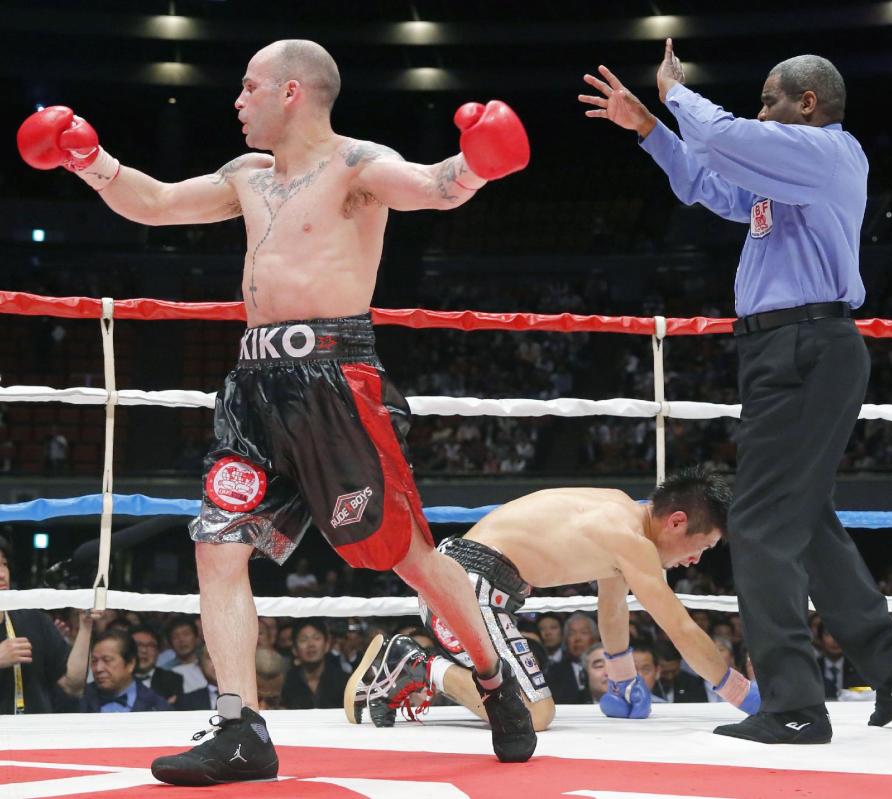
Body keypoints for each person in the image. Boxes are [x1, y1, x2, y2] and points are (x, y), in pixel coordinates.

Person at [17, 38, 533, 781]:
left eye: (248, 86)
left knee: (408, 556)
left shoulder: (357, 165)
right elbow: (157, 202)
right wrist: (86, 159)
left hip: (336, 382)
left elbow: (432, 185)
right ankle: (240, 730)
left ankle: (492, 676)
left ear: (292, 92)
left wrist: (480, 163)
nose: (236, 100)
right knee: (217, 545)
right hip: (254, 387)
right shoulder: (248, 175)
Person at [578, 40, 892, 743]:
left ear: (807, 103)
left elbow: (723, 134)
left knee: (761, 523)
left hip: (806, 347)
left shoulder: (830, 153)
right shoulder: (786, 181)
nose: (761, 109)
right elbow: (706, 185)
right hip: (787, 350)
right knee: (804, 517)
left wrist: (675, 93)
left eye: (772, 99)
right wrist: (650, 129)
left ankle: (797, 703)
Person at [351, 468, 759, 732]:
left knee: (529, 709)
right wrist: (743, 695)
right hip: (466, 586)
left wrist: (622, 680)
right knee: (531, 714)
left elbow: (613, 605)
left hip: (471, 581)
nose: (694, 560)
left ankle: (417, 666)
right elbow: (680, 627)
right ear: (677, 522)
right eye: (701, 546)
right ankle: (417, 666)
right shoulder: (630, 540)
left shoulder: (622, 512)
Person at [0, 535, 95, 714]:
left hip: (34, 738)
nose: (2, 574)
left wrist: (86, 626)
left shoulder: (34, 619)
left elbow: (73, 685)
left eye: (4, 564)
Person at [81, 630, 170, 713]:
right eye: (94, 661)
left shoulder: (157, 706)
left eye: (107, 660)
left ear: (130, 664)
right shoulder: (80, 699)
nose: (98, 668)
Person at [130, 625, 183, 706]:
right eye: (138, 645)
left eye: (150, 646)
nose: (144, 651)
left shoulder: (173, 680)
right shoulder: (116, 679)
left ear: (158, 652)